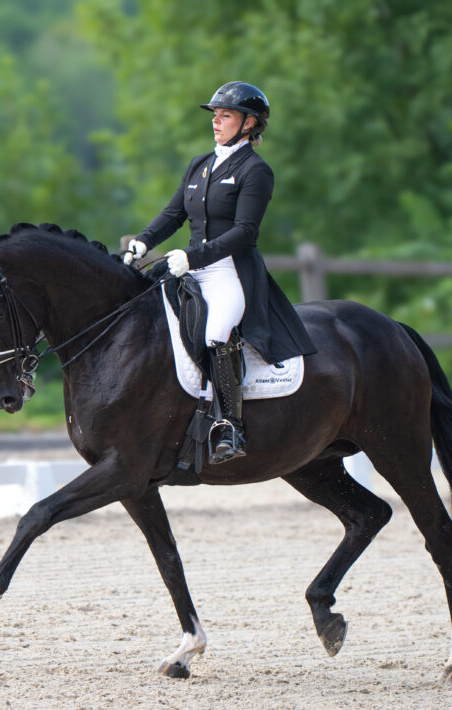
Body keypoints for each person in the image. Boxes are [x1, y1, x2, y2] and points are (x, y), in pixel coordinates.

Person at [124, 81, 316, 464]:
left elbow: (245, 232)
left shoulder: (255, 171)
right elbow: (174, 214)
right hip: (191, 267)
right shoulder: (201, 164)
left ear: (248, 124)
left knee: (215, 334)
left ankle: (230, 425)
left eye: (225, 115)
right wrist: (143, 242)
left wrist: (193, 258)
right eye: (215, 115)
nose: (216, 121)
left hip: (229, 272)